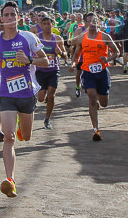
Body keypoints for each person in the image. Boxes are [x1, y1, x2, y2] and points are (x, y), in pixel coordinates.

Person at [0, 1, 50, 197]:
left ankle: (23, 129)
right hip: (5, 93)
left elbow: (45, 61)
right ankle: (10, 181)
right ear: (1, 18)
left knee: (27, 136)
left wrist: (29, 60)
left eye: (13, 14)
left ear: (18, 17)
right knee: (8, 137)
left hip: (26, 94)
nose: (10, 18)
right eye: (6, 15)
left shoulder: (28, 38)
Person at [71, 11, 120, 141]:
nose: (92, 24)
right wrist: (72, 64)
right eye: (90, 21)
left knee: (104, 103)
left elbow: (117, 52)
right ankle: (96, 130)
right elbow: (76, 55)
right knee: (92, 98)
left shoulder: (104, 37)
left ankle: (99, 99)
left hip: (102, 72)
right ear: (86, 23)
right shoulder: (82, 38)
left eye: (95, 21)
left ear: (98, 23)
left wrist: (108, 58)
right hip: (87, 72)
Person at [34, 14, 66, 129]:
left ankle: (47, 119)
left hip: (53, 70)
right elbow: (32, 53)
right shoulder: (37, 37)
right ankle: (44, 95)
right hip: (41, 71)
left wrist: (61, 52)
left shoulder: (57, 39)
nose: (47, 26)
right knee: (41, 98)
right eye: (45, 24)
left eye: (49, 24)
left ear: (53, 25)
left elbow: (65, 56)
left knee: (51, 95)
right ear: (41, 25)